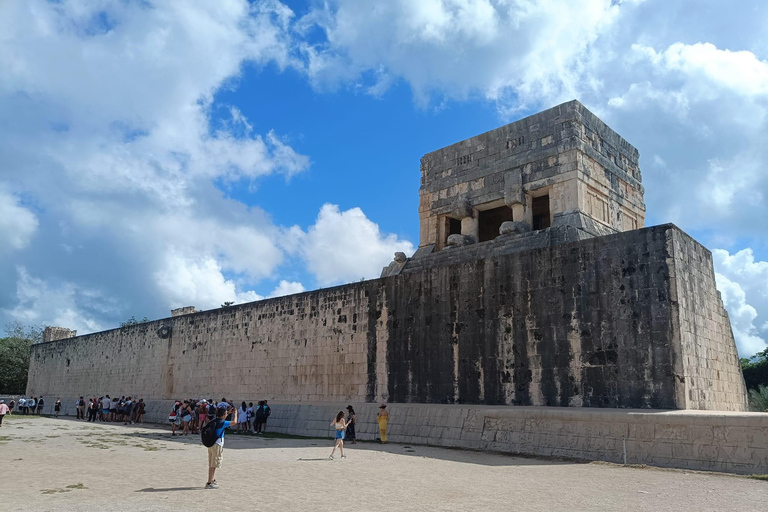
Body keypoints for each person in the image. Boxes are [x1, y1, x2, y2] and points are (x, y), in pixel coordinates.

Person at [205, 404, 238, 489]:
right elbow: (234, 422)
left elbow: (222, 420)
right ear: (223, 415)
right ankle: (209, 482)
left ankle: (211, 480)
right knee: (214, 464)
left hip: (212, 444)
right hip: (217, 444)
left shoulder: (216, 420)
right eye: (226, 413)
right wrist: (235, 414)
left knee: (212, 464)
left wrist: (229, 413)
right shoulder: (222, 422)